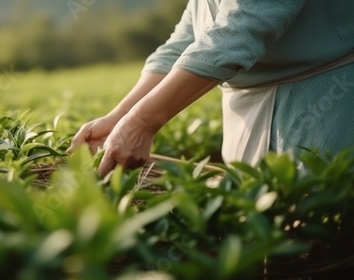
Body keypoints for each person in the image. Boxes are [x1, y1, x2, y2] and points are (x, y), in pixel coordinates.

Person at [67, 0, 354, 176]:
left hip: (323, 99)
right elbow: (183, 43)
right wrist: (120, 116)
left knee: (317, 229)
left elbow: (241, 28)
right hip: (249, 109)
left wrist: (142, 122)